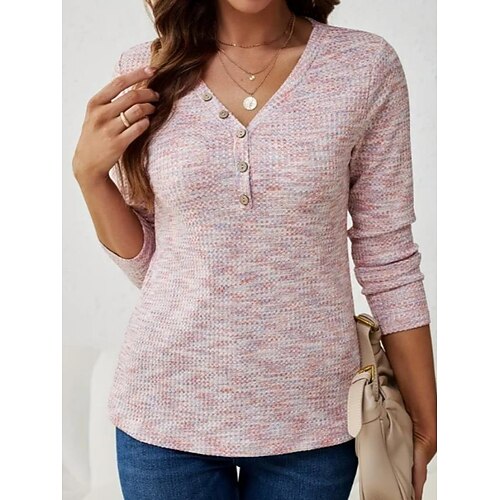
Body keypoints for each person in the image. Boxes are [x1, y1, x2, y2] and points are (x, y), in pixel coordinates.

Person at [72, 1, 437, 499]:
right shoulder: (146, 71)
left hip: (314, 420)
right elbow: (157, 266)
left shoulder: (363, 67)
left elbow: (387, 254)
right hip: (165, 411)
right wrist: (91, 178)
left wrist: (424, 414)